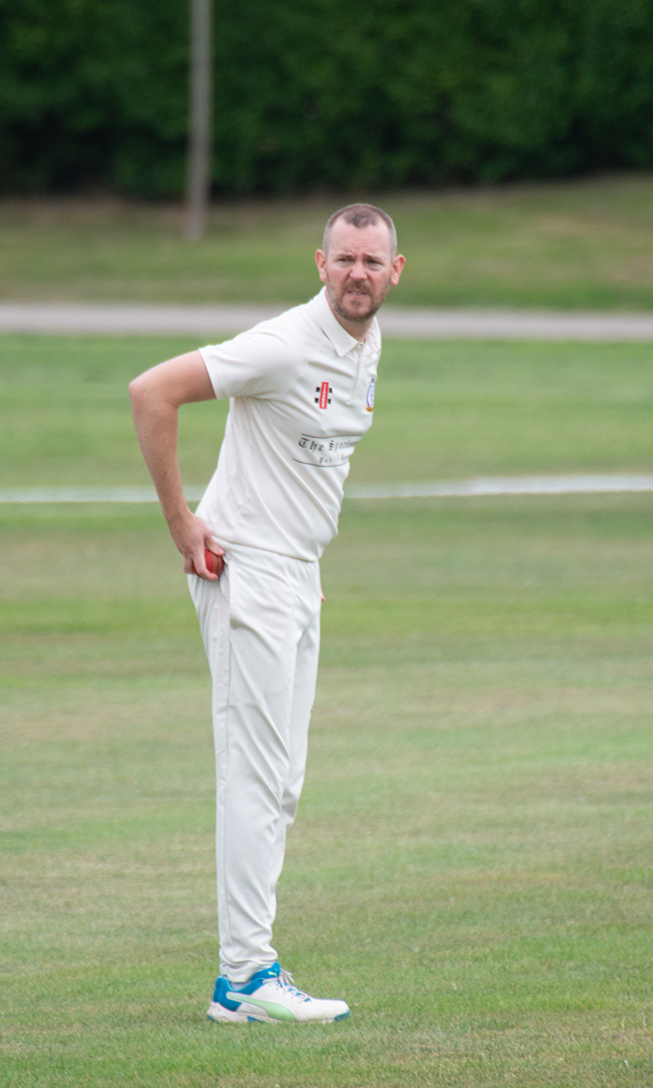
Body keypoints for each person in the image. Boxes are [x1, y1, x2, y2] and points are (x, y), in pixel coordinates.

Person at [129, 204, 404, 1023]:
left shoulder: (368, 343)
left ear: (395, 272)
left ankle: (247, 973)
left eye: (372, 261)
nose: (358, 274)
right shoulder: (285, 343)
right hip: (246, 569)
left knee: (281, 781)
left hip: (296, 573)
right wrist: (182, 522)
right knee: (254, 775)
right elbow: (152, 392)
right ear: (320, 264)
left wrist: (300, 562)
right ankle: (244, 977)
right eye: (344, 258)